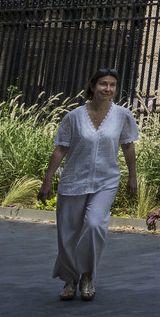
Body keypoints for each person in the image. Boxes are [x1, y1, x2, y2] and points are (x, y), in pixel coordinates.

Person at [39, 68, 138, 302]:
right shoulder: (73, 117)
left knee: (94, 225)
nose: (108, 89)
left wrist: (132, 177)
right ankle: (69, 278)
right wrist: (47, 180)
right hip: (74, 179)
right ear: (92, 86)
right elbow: (61, 148)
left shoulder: (123, 115)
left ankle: (86, 275)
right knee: (68, 233)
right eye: (103, 84)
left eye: (113, 85)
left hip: (106, 180)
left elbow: (128, 146)